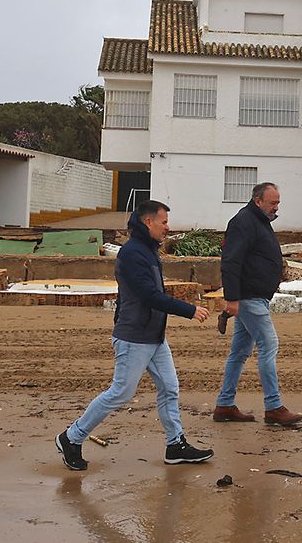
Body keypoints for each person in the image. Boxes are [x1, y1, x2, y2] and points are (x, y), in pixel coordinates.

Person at [57, 200, 213, 470]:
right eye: (163, 222)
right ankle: (72, 437)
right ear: (147, 222)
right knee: (120, 392)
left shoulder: (148, 251)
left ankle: (175, 445)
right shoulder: (132, 254)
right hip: (134, 336)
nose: (168, 227)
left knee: (169, 387)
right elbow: (149, 296)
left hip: (153, 336)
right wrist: (188, 310)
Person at [213, 182, 302, 426]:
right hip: (249, 296)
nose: (276, 207)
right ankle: (274, 407)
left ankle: (224, 405)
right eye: (272, 203)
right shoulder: (243, 222)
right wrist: (231, 298)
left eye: (278, 203)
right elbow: (231, 261)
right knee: (268, 344)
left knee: (239, 352)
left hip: (255, 296)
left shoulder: (259, 221)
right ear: (258, 201)